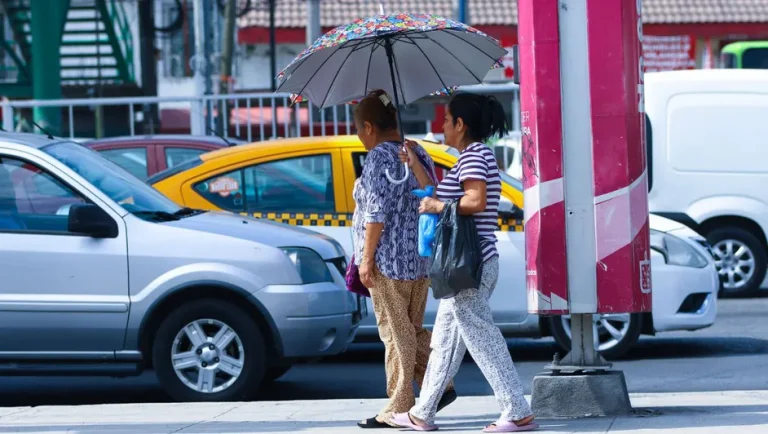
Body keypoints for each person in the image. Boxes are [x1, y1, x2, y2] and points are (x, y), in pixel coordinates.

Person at [391, 93, 538, 432]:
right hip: (464, 266)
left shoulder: (474, 155)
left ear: (460, 124)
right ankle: (422, 413)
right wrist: (414, 164)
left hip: (469, 265)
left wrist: (438, 207)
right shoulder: (469, 158)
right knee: (444, 341)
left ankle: (517, 411)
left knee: (482, 338)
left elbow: (475, 201)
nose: (441, 126)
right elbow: (438, 195)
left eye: (446, 120)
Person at [351, 90, 456, 429]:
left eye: (358, 129)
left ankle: (399, 405)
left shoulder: (378, 158)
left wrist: (366, 259)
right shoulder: (417, 151)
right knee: (410, 329)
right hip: (418, 260)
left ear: (369, 127)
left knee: (395, 334)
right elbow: (432, 192)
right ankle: (440, 384)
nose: (359, 135)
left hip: (388, 262)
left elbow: (375, 213)